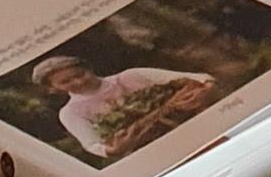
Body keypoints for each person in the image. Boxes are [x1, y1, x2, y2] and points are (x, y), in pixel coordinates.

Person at [28, 50, 214, 162]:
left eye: (80, 74)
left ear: (88, 68)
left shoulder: (131, 76)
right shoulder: (71, 112)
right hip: (154, 152)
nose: (78, 81)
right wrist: (113, 150)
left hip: (199, 127)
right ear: (52, 89)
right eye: (65, 82)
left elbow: (200, 78)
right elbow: (93, 145)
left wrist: (205, 89)